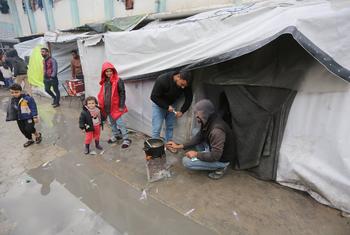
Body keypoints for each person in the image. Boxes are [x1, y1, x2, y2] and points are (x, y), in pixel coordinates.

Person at [166, 99, 234, 180]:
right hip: (213, 149)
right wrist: (178, 146)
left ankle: (221, 167)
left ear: (204, 113)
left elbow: (215, 156)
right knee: (195, 131)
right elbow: (199, 137)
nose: (196, 116)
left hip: (221, 158)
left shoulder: (217, 131)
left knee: (186, 161)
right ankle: (206, 153)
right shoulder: (208, 119)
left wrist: (196, 154)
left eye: (197, 113)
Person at [150, 70, 193, 143]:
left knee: (170, 127)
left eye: (185, 86)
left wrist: (182, 111)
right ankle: (155, 148)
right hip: (159, 104)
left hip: (172, 104)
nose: (183, 87)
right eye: (182, 84)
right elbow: (153, 97)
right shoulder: (162, 80)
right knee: (157, 128)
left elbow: (189, 98)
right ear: (178, 77)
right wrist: (167, 107)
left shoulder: (186, 84)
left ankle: (169, 144)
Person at [97, 62, 131, 148]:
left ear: (113, 71)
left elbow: (122, 93)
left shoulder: (118, 80)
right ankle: (116, 135)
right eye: (106, 71)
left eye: (110, 71)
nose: (109, 73)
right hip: (107, 107)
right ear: (104, 73)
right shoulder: (104, 82)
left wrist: (121, 105)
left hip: (115, 106)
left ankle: (126, 138)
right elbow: (103, 94)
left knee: (120, 123)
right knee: (112, 123)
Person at [7, 83, 42, 147]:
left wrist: (35, 116)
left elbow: (33, 107)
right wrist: (10, 116)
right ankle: (30, 139)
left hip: (28, 117)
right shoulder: (12, 99)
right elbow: (11, 109)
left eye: (16, 92)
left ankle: (37, 135)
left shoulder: (27, 98)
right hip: (19, 118)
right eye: (12, 92)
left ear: (20, 91)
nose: (14, 94)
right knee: (23, 130)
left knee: (29, 128)